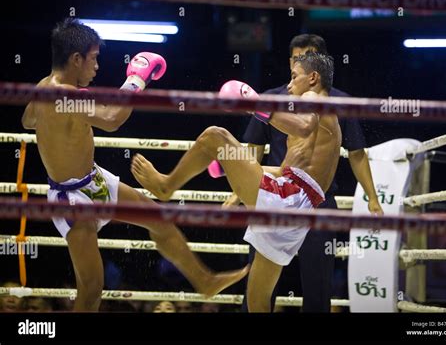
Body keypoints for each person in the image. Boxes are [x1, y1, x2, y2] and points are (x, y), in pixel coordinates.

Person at [21, 18, 248, 312]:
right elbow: (113, 119)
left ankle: (205, 281)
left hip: (93, 180)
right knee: (90, 291)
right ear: (76, 59)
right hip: (72, 199)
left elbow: (27, 120)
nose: (97, 67)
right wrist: (136, 79)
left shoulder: (44, 89)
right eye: (94, 59)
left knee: (156, 218)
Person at [130, 51, 341, 312]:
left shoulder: (314, 99)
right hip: (297, 206)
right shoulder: (321, 125)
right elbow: (294, 174)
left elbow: (304, 127)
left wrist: (253, 102)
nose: (288, 85)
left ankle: (165, 186)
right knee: (257, 302)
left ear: (313, 77)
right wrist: (234, 167)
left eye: (294, 77)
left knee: (214, 136)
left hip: (291, 199)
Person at [225, 34, 384, 312]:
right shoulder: (274, 96)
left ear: (317, 67)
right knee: (260, 286)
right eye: (296, 58)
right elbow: (255, 147)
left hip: (319, 201)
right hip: (275, 194)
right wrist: (240, 189)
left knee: (318, 285)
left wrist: (373, 198)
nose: (300, 63)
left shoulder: (339, 102)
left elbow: (356, 152)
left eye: (307, 57)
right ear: (290, 62)